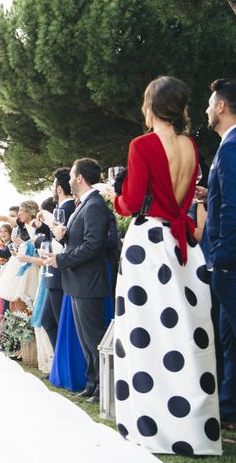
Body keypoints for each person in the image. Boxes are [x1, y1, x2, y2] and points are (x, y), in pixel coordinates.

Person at [113, 76, 220, 455]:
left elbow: (130, 201)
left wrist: (117, 196)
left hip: (148, 244)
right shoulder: (191, 146)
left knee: (145, 335)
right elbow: (187, 196)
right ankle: (192, 425)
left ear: (151, 105)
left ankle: (152, 424)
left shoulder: (142, 145)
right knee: (185, 335)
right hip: (183, 245)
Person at [46, 158, 109, 405]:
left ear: (80, 177)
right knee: (84, 339)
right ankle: (91, 383)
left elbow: (94, 245)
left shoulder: (94, 205)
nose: (69, 180)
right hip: (77, 281)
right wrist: (63, 237)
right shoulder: (83, 205)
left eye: (72, 175)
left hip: (88, 281)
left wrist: (61, 260)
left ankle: (103, 387)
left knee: (94, 338)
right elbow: (78, 241)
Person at [202, 77, 236, 434]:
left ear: (222, 107)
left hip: (230, 264)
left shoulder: (231, 146)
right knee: (227, 340)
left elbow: (233, 208)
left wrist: (223, 257)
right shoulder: (228, 147)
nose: (207, 110)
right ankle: (228, 409)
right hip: (226, 263)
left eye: (210, 104)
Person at [40, 167, 76, 349]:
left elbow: (65, 241)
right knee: (48, 320)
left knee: (59, 323)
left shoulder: (68, 209)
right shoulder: (62, 209)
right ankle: (58, 366)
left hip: (60, 272)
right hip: (53, 272)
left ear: (59, 188)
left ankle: (63, 368)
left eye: (54, 186)